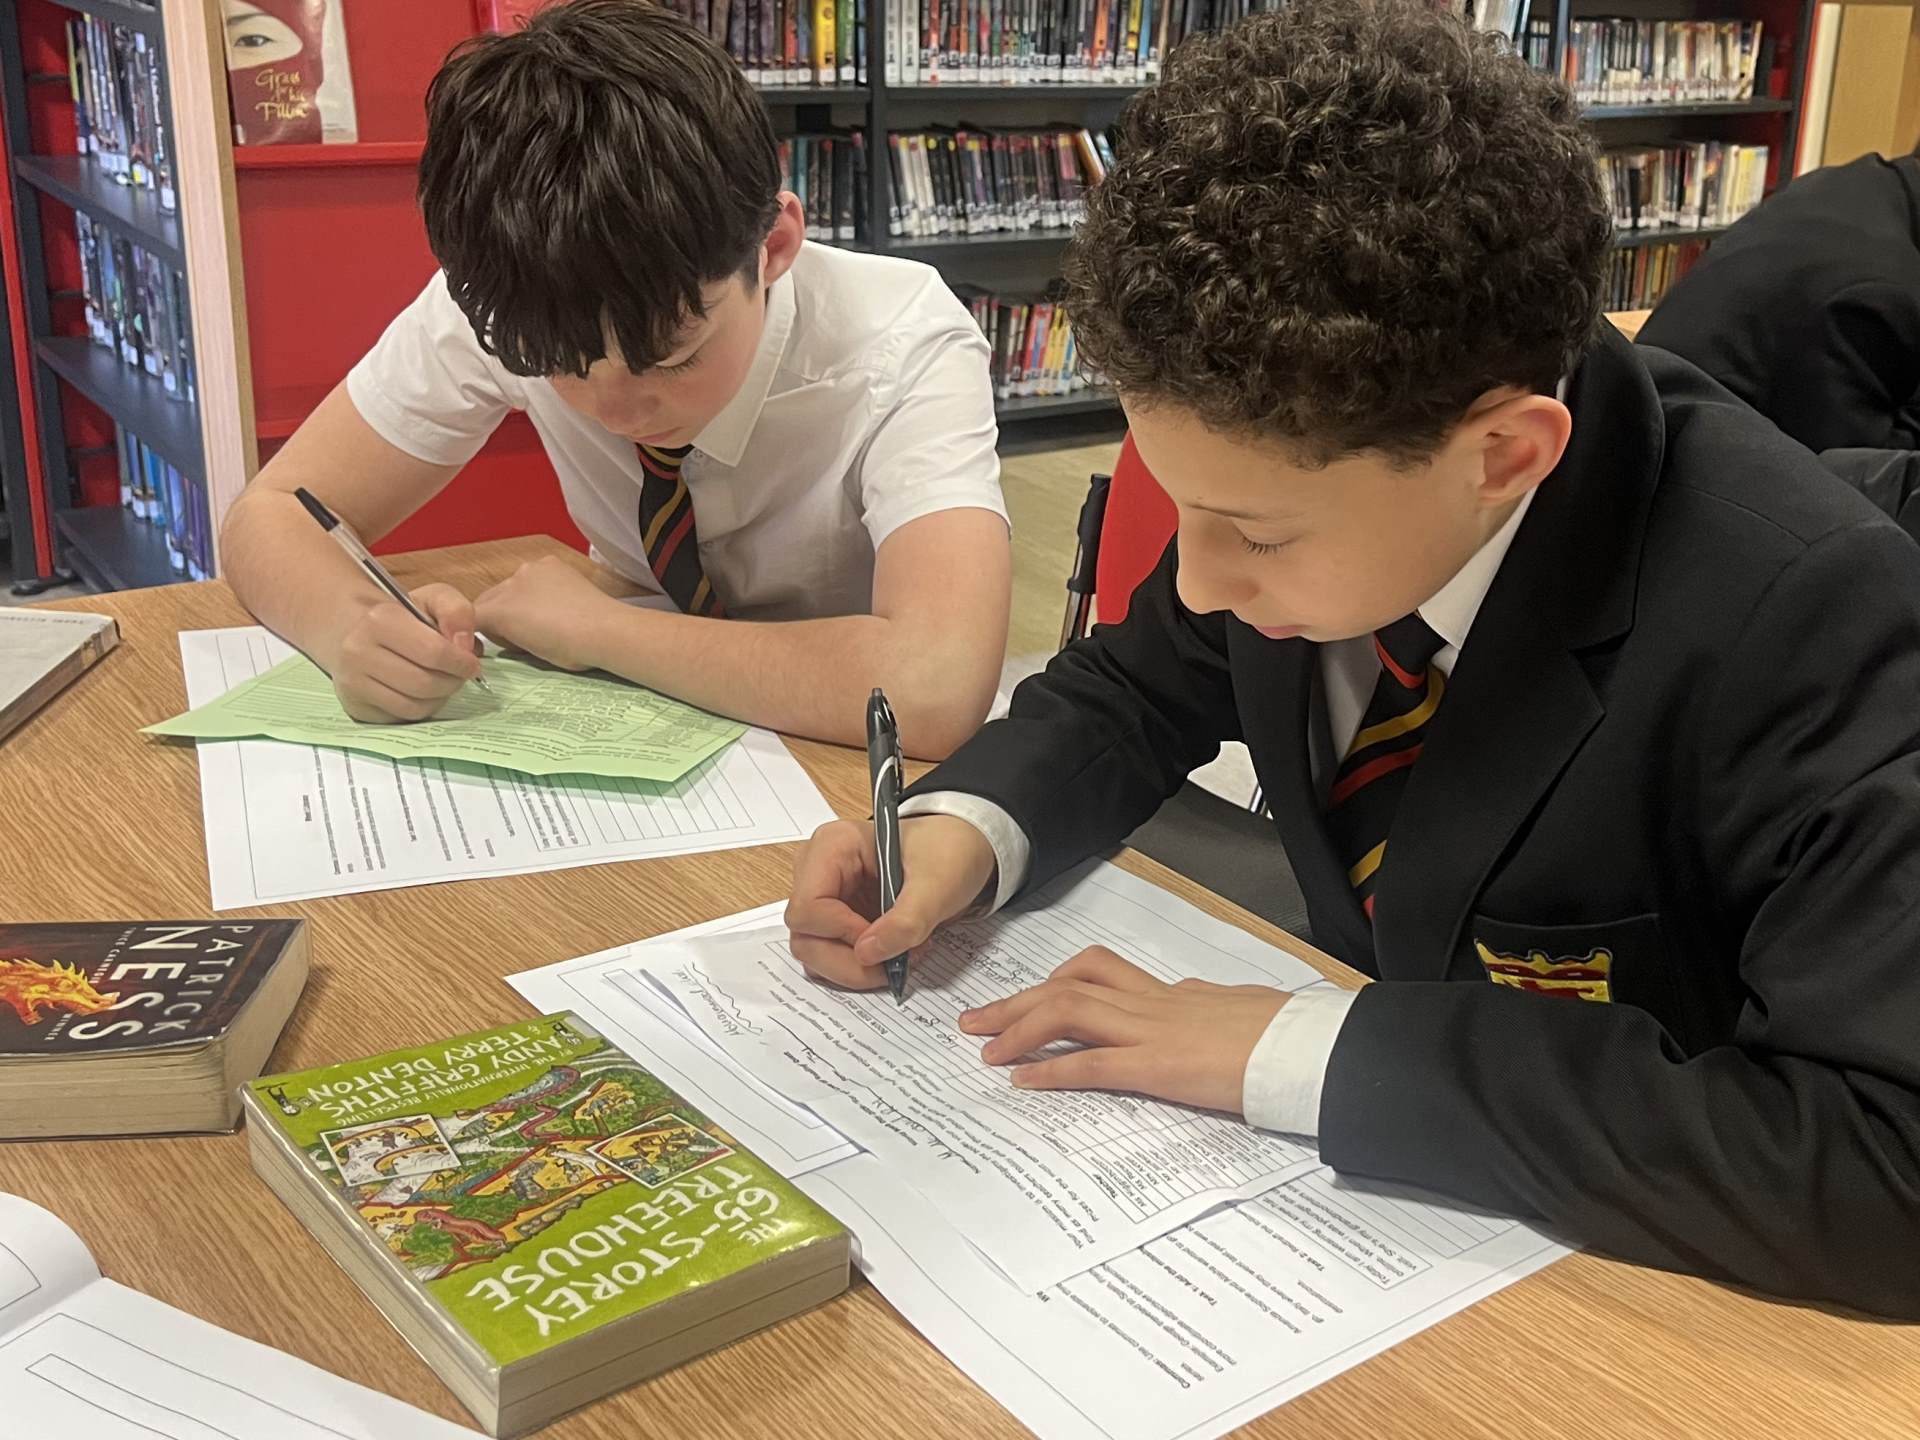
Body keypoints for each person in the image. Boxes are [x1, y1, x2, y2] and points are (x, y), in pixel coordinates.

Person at [784, 0, 1920, 1317]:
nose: (1198, 582)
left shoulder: (1816, 620)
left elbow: (1884, 1164)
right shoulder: (1312, 469)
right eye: (1179, 503)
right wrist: (962, 831)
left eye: (1255, 532)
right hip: (1353, 1242)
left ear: (1506, 456)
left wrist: (1306, 1052)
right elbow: (1130, 689)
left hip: (1647, 1300)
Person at [219, 0, 1010, 759]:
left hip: (844, 758)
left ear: (772, 249)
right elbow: (271, 513)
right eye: (557, 366)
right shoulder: (518, 296)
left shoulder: (904, 342)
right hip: (638, 725)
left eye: (673, 356)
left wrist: (601, 629)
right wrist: (353, 627)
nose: (616, 410)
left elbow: (934, 687)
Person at [1638, 150, 1920, 455]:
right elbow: (1852, 472)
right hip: (1684, 457)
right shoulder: (1882, 295)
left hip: (1651, 407)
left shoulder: (1855, 182)